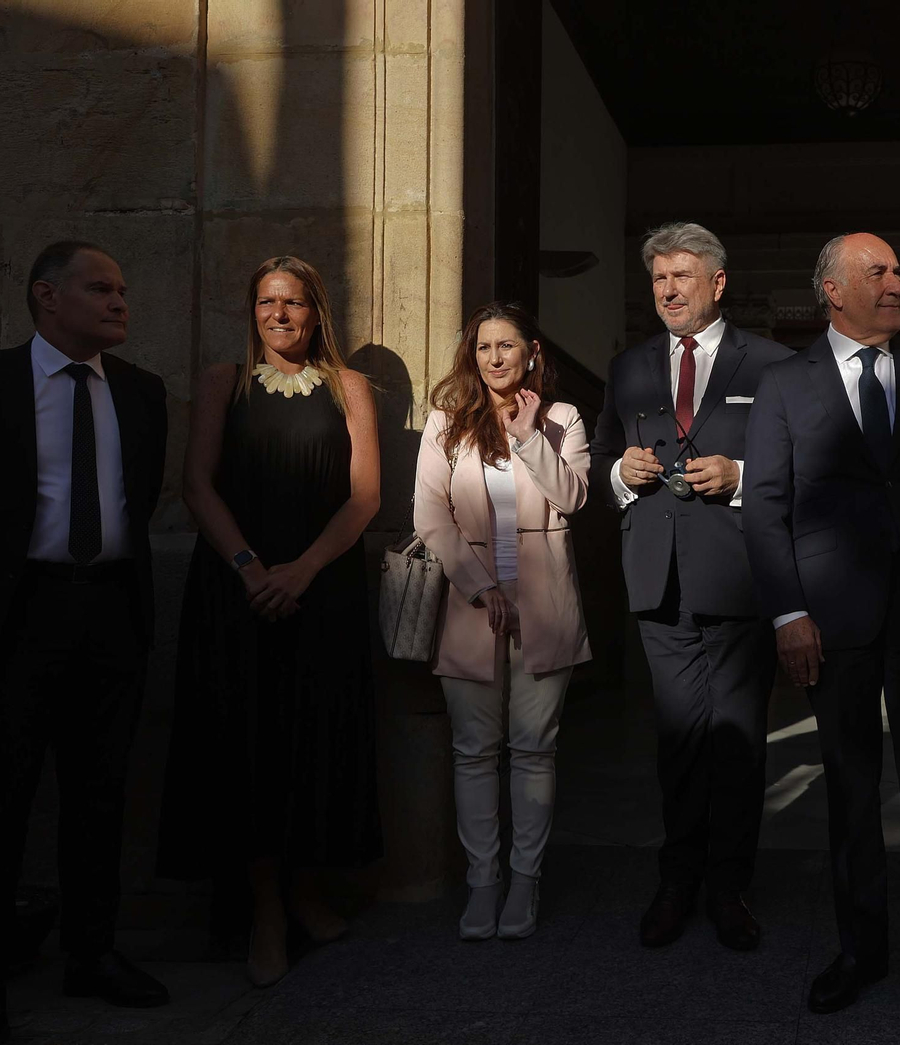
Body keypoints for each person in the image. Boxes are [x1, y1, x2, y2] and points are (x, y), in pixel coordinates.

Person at [744, 232, 900, 1025]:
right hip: (832, 619)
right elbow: (766, 507)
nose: (897, 282)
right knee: (850, 789)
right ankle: (860, 950)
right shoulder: (785, 384)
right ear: (832, 290)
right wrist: (789, 612)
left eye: (898, 270)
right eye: (878, 272)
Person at [157, 256, 382, 988]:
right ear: (251, 311)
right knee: (248, 740)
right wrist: (253, 569)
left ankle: (307, 890)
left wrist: (302, 570)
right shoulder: (224, 382)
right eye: (265, 302)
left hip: (323, 588)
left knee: (315, 736)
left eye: (293, 302)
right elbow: (197, 486)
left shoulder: (350, 388)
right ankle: (263, 911)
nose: (278, 314)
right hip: (238, 591)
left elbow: (365, 498)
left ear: (317, 311)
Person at [587, 223, 793, 951]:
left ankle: (728, 887)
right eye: (658, 279)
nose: (668, 290)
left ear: (718, 282)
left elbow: (800, 465)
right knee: (677, 742)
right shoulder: (628, 366)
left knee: (737, 742)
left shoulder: (771, 364)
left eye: (682, 276)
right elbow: (600, 457)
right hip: (658, 577)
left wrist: (741, 477)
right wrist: (620, 473)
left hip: (738, 576)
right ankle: (676, 881)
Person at [0, 242, 170, 1031]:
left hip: (110, 613)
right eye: (100, 288)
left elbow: (141, 497)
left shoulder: (142, 392)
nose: (119, 301)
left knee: (100, 793)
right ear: (46, 296)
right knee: (1, 795)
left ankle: (91, 952)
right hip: (19, 615)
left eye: (122, 288)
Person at [414, 302, 591, 942]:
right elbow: (429, 515)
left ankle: (524, 881)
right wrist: (480, 585)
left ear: (531, 352)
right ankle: (482, 882)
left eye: (506, 345)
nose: (494, 357)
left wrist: (526, 434)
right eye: (483, 346)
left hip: (546, 602)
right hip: (472, 604)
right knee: (473, 753)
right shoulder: (446, 422)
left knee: (535, 750)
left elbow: (572, 497)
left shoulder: (562, 418)